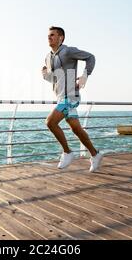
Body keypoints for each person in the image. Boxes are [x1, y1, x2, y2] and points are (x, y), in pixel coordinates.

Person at [42, 26, 103, 172]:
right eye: (48, 35)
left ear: (60, 37)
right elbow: (56, 79)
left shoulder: (68, 51)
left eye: (52, 35)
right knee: (76, 129)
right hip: (60, 97)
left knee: (50, 122)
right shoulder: (48, 57)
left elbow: (90, 57)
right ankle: (95, 154)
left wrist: (84, 76)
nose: (49, 37)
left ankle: (68, 152)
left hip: (71, 96)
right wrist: (45, 75)